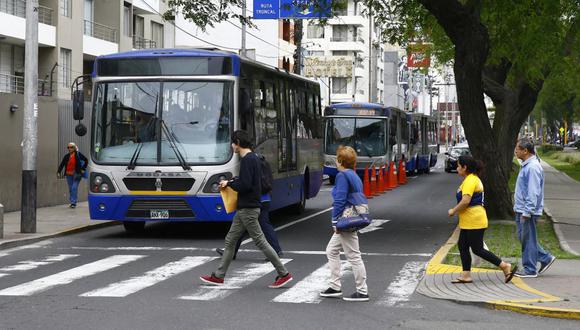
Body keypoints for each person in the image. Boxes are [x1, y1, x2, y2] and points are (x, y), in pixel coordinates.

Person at [200, 130, 292, 288]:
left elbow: (245, 185)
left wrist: (228, 184)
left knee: (260, 241)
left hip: (248, 208)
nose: (231, 146)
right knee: (230, 240)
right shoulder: (254, 158)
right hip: (245, 208)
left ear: (237, 142)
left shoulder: (247, 160)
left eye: (232, 143)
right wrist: (233, 181)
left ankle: (283, 273)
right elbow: (247, 181)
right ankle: (219, 276)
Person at [447, 155, 517, 284]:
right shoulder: (470, 179)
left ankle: (504, 266)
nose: (457, 168)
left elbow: (465, 201)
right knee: (462, 246)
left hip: (474, 220)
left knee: (478, 249)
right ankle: (466, 275)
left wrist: (453, 211)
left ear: (465, 167)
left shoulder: (470, 181)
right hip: (469, 221)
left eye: (458, 166)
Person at [320, 146, 369, 302]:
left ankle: (362, 291)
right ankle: (335, 286)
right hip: (352, 217)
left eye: (336, 157)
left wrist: (335, 221)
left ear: (340, 160)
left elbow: (340, 200)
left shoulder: (342, 176)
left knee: (354, 255)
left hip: (345, 219)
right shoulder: (353, 175)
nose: (335, 160)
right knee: (331, 250)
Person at [513, 138, 556, 278]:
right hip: (522, 208)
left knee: (527, 240)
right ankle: (545, 258)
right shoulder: (527, 165)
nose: (515, 151)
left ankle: (530, 269)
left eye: (517, 149)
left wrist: (528, 211)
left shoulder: (532, 167)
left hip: (527, 210)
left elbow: (533, 191)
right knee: (525, 238)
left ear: (525, 151)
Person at [215, 193, 284, 260]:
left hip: (252, 202)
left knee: (241, 226)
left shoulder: (251, 180)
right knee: (264, 225)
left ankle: (230, 253)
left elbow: (245, 185)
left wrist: (230, 183)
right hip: (265, 199)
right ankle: (276, 250)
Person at [57, 142, 88, 208]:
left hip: (77, 174)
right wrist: (58, 172)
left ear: (74, 148)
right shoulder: (66, 156)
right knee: (71, 189)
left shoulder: (78, 154)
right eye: (68, 147)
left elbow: (86, 160)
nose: (69, 149)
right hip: (69, 174)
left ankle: (73, 202)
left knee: (74, 188)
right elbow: (62, 164)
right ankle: (72, 202)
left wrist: (83, 168)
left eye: (71, 147)